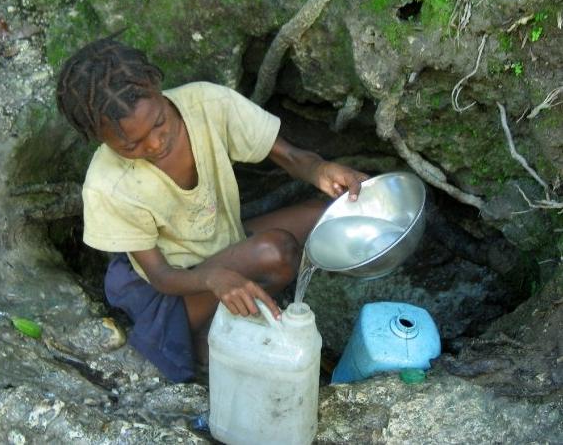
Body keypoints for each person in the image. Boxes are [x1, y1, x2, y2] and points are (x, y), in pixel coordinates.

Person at [56, 36, 369, 382]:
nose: (155, 143)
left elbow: (291, 157)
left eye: (159, 123)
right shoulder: (108, 185)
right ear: (100, 139)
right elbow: (160, 276)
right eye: (132, 144)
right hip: (172, 293)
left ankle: (233, 310)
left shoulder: (207, 104)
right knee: (276, 252)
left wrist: (319, 170)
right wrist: (212, 278)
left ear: (156, 85)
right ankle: (200, 339)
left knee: (324, 215)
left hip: (220, 243)